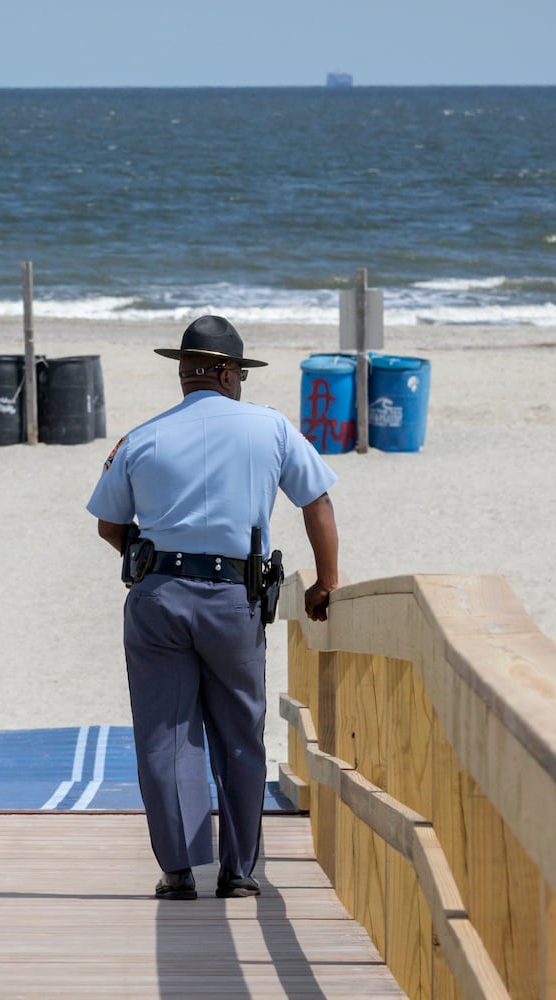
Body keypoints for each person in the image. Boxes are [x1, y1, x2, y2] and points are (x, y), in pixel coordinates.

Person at [86, 315, 340, 901]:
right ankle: (238, 871)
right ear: (228, 374)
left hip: (158, 599)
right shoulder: (271, 429)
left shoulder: (142, 436)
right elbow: (316, 501)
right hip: (234, 599)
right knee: (239, 733)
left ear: (184, 374)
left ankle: (178, 871)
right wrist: (326, 581)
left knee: (165, 734)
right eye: (240, 374)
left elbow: (108, 525)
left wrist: (146, 557)